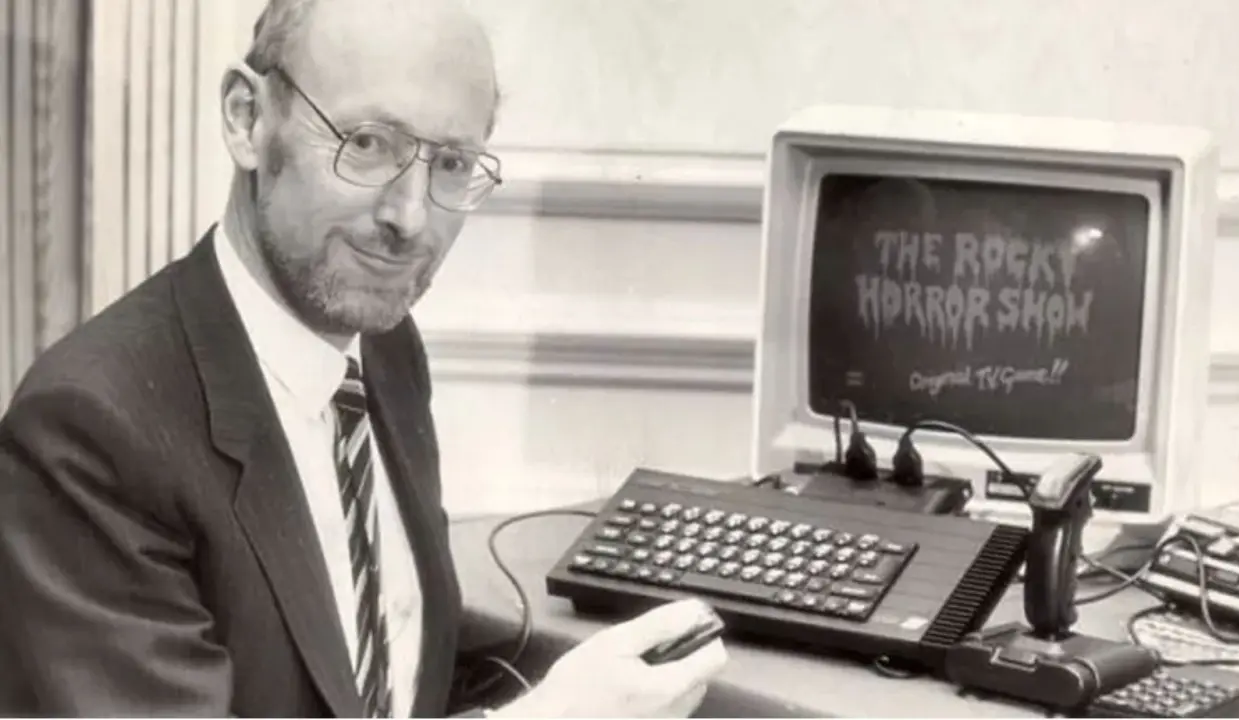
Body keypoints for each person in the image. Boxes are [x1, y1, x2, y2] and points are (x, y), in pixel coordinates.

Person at [0, 0, 728, 716]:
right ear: (247, 119)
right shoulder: (89, 432)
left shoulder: (383, 348)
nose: (409, 218)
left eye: (451, 163)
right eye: (368, 144)